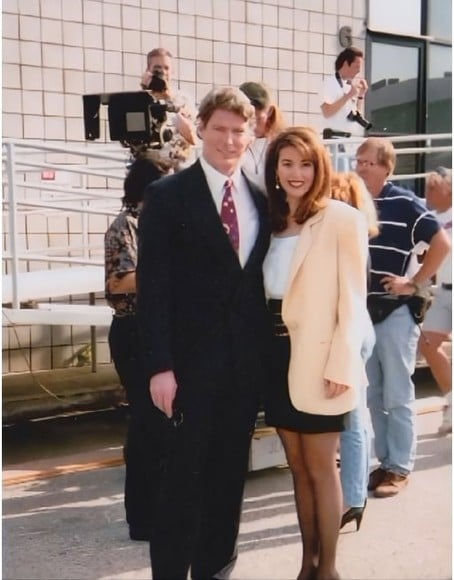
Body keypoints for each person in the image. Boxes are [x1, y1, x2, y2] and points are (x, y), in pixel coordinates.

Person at [136, 86, 271, 579]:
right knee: (181, 487)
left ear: (251, 134)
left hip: (241, 371)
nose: (229, 141)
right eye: (220, 129)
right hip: (186, 371)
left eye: (240, 131)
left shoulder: (261, 198)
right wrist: (159, 366)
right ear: (201, 130)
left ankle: (217, 571)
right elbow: (154, 290)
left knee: (229, 483)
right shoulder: (167, 196)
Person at [262, 127, 370, 580]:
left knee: (323, 468)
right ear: (275, 169)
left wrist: (343, 362)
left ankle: (328, 570)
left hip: (322, 357)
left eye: (305, 164)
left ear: (319, 167)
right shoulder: (265, 221)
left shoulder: (342, 219)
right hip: (273, 355)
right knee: (297, 468)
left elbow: (353, 299)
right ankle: (306, 564)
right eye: (286, 164)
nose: (296, 173)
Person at [354, 137, 451, 499]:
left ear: (386, 167)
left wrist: (413, 283)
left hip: (395, 313)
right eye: (359, 161)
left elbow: (442, 244)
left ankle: (400, 467)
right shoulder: (353, 202)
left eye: (368, 162)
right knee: (374, 392)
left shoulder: (404, 202)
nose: (361, 167)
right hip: (363, 312)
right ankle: (385, 463)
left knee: (397, 392)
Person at [104, 156, 170, 542]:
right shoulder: (125, 225)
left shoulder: (155, 224)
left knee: (158, 424)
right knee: (145, 424)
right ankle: (142, 518)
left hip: (153, 329)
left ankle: (155, 508)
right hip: (132, 330)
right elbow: (120, 282)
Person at [328, 172, 378, 531]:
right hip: (362, 325)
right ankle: (354, 496)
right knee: (356, 413)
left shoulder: (343, 236)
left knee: (351, 419)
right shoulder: (358, 234)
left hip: (350, 327)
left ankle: (352, 499)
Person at [417, 167, 453, 435]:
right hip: (443, 291)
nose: (427, 193)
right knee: (427, 344)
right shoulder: (429, 219)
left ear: (449, 190)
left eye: (432, 188)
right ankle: (453, 400)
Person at [131, 47, 198, 172]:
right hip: (148, 167)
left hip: (179, 167)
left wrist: (168, 98)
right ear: (148, 71)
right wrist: (146, 92)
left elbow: (193, 135)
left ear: (172, 72)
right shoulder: (139, 100)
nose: (162, 72)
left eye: (166, 68)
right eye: (157, 69)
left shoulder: (184, 100)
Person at [318, 47, 369, 172]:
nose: (358, 71)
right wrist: (348, 96)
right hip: (334, 141)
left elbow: (355, 116)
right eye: (356, 67)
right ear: (346, 63)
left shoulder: (348, 85)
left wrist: (361, 95)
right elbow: (327, 112)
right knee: (340, 181)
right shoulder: (329, 83)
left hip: (348, 142)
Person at [239, 81, 286, 192]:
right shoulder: (233, 142)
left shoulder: (281, 143)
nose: (252, 116)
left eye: (257, 109)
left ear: (269, 111)